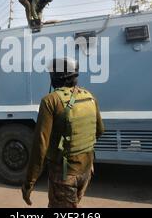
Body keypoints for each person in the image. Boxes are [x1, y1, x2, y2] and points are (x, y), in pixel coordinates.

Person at [22, 57, 104, 208]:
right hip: (86, 170)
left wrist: (29, 182)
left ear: (55, 77)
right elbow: (99, 130)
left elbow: (40, 145)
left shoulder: (50, 101)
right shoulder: (89, 96)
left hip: (64, 175)